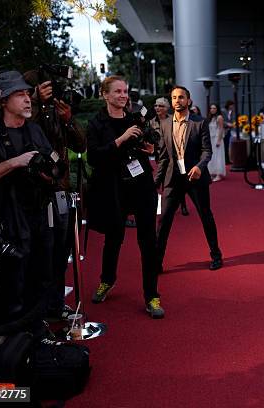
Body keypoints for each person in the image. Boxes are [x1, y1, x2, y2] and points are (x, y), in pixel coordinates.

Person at [0, 71, 55, 322]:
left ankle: (37, 329)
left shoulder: (35, 130)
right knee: (14, 277)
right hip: (5, 216)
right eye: (20, 95)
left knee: (41, 272)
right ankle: (11, 336)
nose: (28, 99)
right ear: (3, 100)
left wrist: (47, 172)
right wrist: (16, 162)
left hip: (39, 211)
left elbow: (52, 166)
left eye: (28, 94)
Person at [86, 75, 163, 319]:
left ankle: (152, 295)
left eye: (125, 91)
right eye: (117, 91)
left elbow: (150, 146)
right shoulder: (96, 124)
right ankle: (107, 280)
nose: (123, 95)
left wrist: (150, 149)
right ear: (105, 94)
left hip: (141, 186)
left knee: (148, 242)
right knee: (113, 238)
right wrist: (120, 139)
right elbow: (93, 158)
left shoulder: (135, 119)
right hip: (112, 189)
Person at [25, 71, 87, 320]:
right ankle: (37, 311)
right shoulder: (31, 112)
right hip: (34, 192)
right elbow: (29, 131)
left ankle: (56, 305)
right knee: (40, 253)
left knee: (61, 250)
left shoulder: (59, 113)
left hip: (60, 190)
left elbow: (80, 145)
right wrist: (37, 102)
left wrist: (68, 119)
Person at [155, 85, 223, 271]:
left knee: (205, 216)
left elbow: (207, 151)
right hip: (173, 178)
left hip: (195, 178)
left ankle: (216, 255)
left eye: (181, 97)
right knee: (164, 220)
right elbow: (163, 156)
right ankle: (157, 261)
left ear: (189, 100)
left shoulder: (199, 122)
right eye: (175, 97)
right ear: (171, 101)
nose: (178, 100)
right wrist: (156, 181)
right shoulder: (165, 123)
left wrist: (200, 166)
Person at [152, 97, 189, 216]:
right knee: (161, 181)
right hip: (161, 157)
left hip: (177, 157)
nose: (157, 108)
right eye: (156, 105)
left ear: (167, 108)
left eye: (161, 106)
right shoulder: (152, 122)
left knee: (181, 180)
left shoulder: (174, 120)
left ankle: (183, 204)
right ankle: (161, 207)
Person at [207, 103, 226, 181]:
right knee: (212, 156)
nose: (212, 110)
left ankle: (218, 174)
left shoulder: (219, 117)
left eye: (214, 108)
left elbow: (221, 129)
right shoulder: (210, 118)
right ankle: (212, 173)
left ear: (217, 109)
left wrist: (218, 140)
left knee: (218, 156)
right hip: (211, 139)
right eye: (211, 108)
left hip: (217, 138)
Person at [223, 100, 235, 164]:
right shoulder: (223, 111)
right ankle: (225, 160)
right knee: (225, 145)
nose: (232, 107)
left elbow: (232, 120)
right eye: (231, 105)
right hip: (224, 130)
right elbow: (222, 120)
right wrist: (227, 124)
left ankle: (228, 159)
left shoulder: (232, 112)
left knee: (228, 145)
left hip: (229, 130)